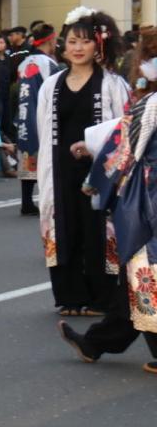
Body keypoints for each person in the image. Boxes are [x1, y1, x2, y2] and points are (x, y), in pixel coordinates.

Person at [61, 25, 157, 374]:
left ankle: (99, 342)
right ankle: (97, 342)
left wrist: (94, 173)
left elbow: (125, 146)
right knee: (138, 279)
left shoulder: (153, 103)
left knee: (142, 273)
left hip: (151, 199)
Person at [37, 8, 131, 316]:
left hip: (100, 170)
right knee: (65, 228)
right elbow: (43, 129)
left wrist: (97, 150)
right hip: (61, 169)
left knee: (99, 231)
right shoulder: (51, 85)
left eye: (85, 41)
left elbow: (125, 130)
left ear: (98, 45)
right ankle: (69, 295)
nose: (77, 48)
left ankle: (101, 297)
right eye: (72, 41)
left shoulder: (113, 85)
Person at [16, 24, 59, 215]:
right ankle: (47, 201)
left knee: (27, 155)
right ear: (51, 39)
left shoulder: (24, 62)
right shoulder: (49, 64)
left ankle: (26, 201)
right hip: (41, 115)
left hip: (24, 114)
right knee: (45, 158)